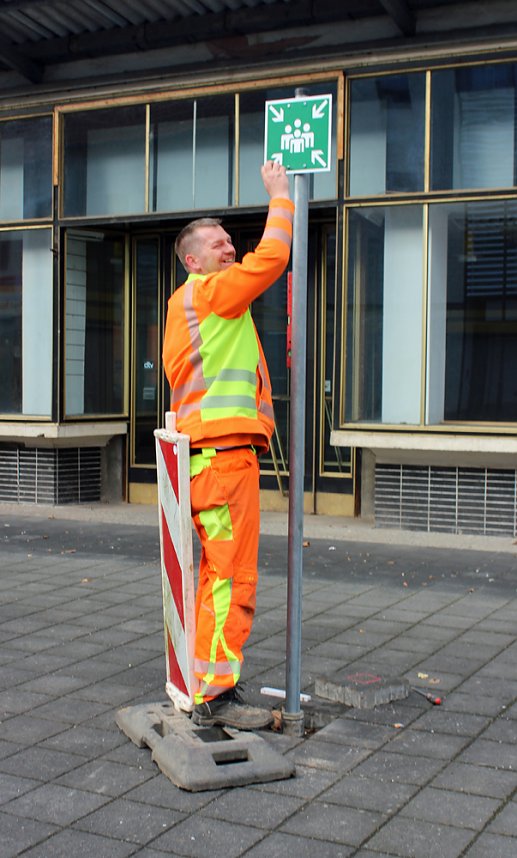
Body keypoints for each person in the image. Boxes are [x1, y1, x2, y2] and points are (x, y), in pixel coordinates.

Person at [163, 161, 294, 729]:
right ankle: (216, 692)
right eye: (218, 245)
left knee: (215, 575)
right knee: (232, 577)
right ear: (193, 260)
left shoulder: (183, 308)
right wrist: (281, 196)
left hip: (205, 463)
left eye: (230, 243)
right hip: (223, 463)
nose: (230, 250)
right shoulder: (212, 294)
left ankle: (203, 679)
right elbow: (274, 258)